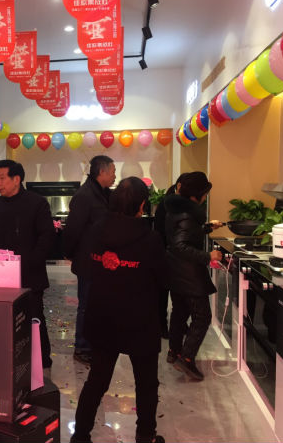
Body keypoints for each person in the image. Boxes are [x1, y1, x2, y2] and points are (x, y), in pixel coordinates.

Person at [70, 177, 167, 443]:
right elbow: (163, 279)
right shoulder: (150, 238)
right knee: (146, 383)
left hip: (102, 316)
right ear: (143, 205)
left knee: (97, 380)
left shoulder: (95, 231)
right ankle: (145, 436)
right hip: (140, 320)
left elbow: (86, 268)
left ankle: (80, 436)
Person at [0, 160, 56, 368]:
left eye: (2, 178)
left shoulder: (37, 203)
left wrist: (31, 261)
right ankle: (8, 360)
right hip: (0, 276)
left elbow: (47, 237)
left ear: (17, 179)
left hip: (30, 275)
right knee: (4, 320)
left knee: (34, 318)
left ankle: (42, 360)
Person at [164, 171, 223, 381]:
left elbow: (184, 234)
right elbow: (180, 245)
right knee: (202, 317)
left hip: (175, 271)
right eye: (204, 193)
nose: (205, 197)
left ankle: (174, 351)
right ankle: (186, 358)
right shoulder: (188, 214)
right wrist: (208, 256)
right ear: (195, 194)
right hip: (188, 273)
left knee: (180, 312)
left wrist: (206, 228)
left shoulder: (175, 208)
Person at [63, 155, 116, 365]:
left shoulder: (102, 193)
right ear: (101, 172)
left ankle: (94, 342)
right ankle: (82, 347)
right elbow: (72, 229)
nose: (114, 176)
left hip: (101, 261)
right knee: (86, 305)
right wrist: (68, 253)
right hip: (88, 261)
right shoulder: (85, 196)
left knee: (97, 304)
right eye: (112, 171)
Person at [153, 173, 187, 339]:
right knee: (163, 292)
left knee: (178, 292)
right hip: (165, 253)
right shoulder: (168, 203)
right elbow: (162, 231)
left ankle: (178, 325)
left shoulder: (179, 201)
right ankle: (162, 326)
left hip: (175, 253)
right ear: (179, 186)